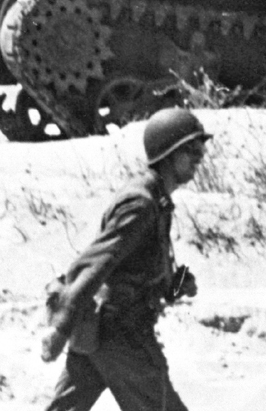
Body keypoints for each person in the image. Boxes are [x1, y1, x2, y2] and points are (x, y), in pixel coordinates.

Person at [39, 107, 213, 411]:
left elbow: (130, 269)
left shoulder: (155, 199)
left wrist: (174, 286)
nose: (200, 158)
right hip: (120, 333)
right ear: (169, 153)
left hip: (99, 328)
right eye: (192, 150)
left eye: (201, 150)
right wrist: (61, 327)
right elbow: (95, 264)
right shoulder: (141, 203)